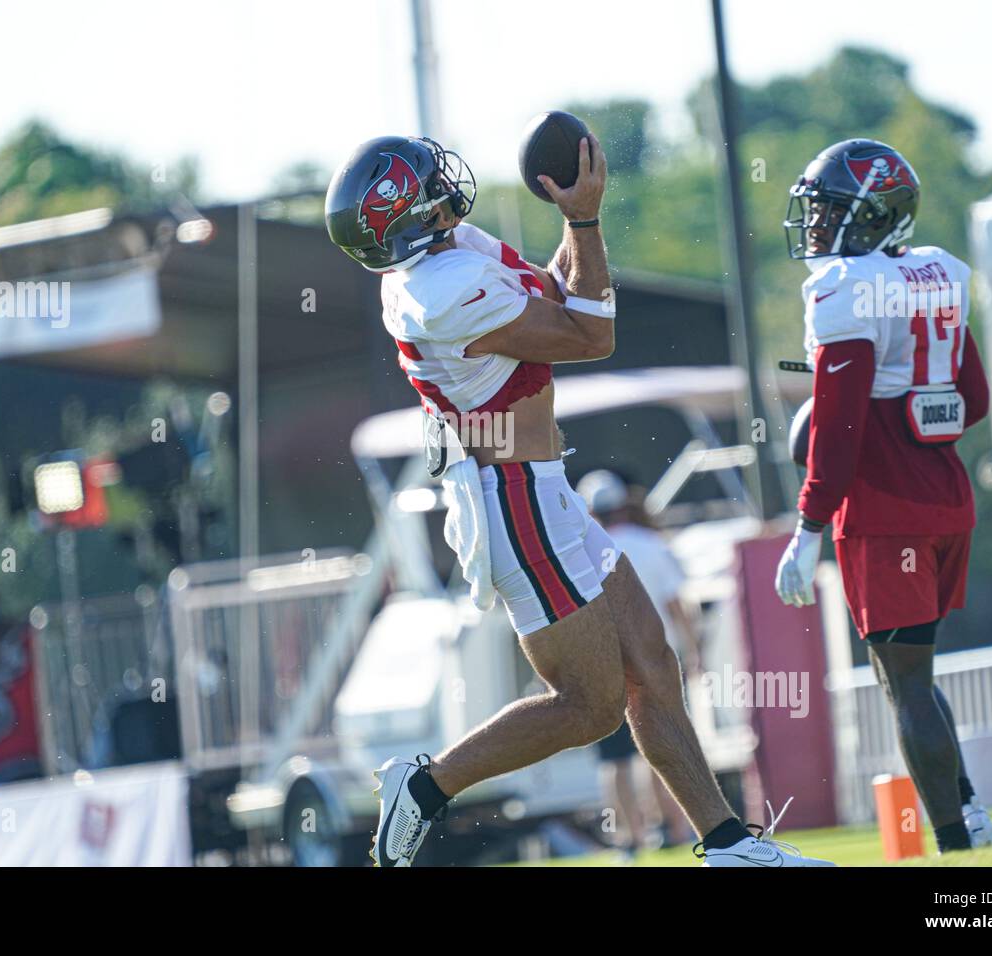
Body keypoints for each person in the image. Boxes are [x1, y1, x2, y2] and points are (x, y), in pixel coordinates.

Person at [326, 133, 831, 866]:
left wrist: (571, 221)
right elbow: (591, 334)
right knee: (590, 704)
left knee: (654, 665)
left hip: (539, 487)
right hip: (510, 497)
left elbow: (557, 294)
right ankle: (427, 785)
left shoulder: (448, 255)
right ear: (408, 208)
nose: (445, 179)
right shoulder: (439, 290)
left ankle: (727, 845)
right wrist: (588, 222)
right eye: (427, 178)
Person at [774, 139, 992, 853]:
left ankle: (956, 844)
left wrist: (807, 529)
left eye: (832, 210)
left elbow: (836, 433)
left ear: (874, 217)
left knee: (904, 685)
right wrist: (909, 410)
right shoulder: (938, 274)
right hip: (946, 498)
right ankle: (967, 805)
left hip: (884, 511)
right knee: (910, 674)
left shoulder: (843, 285)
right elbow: (974, 400)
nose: (816, 225)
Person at [578, 469, 698, 853]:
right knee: (661, 744)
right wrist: (694, 653)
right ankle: (672, 829)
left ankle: (629, 839)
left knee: (615, 760)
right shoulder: (650, 542)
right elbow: (677, 604)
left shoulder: (580, 552)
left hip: (604, 659)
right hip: (655, 657)